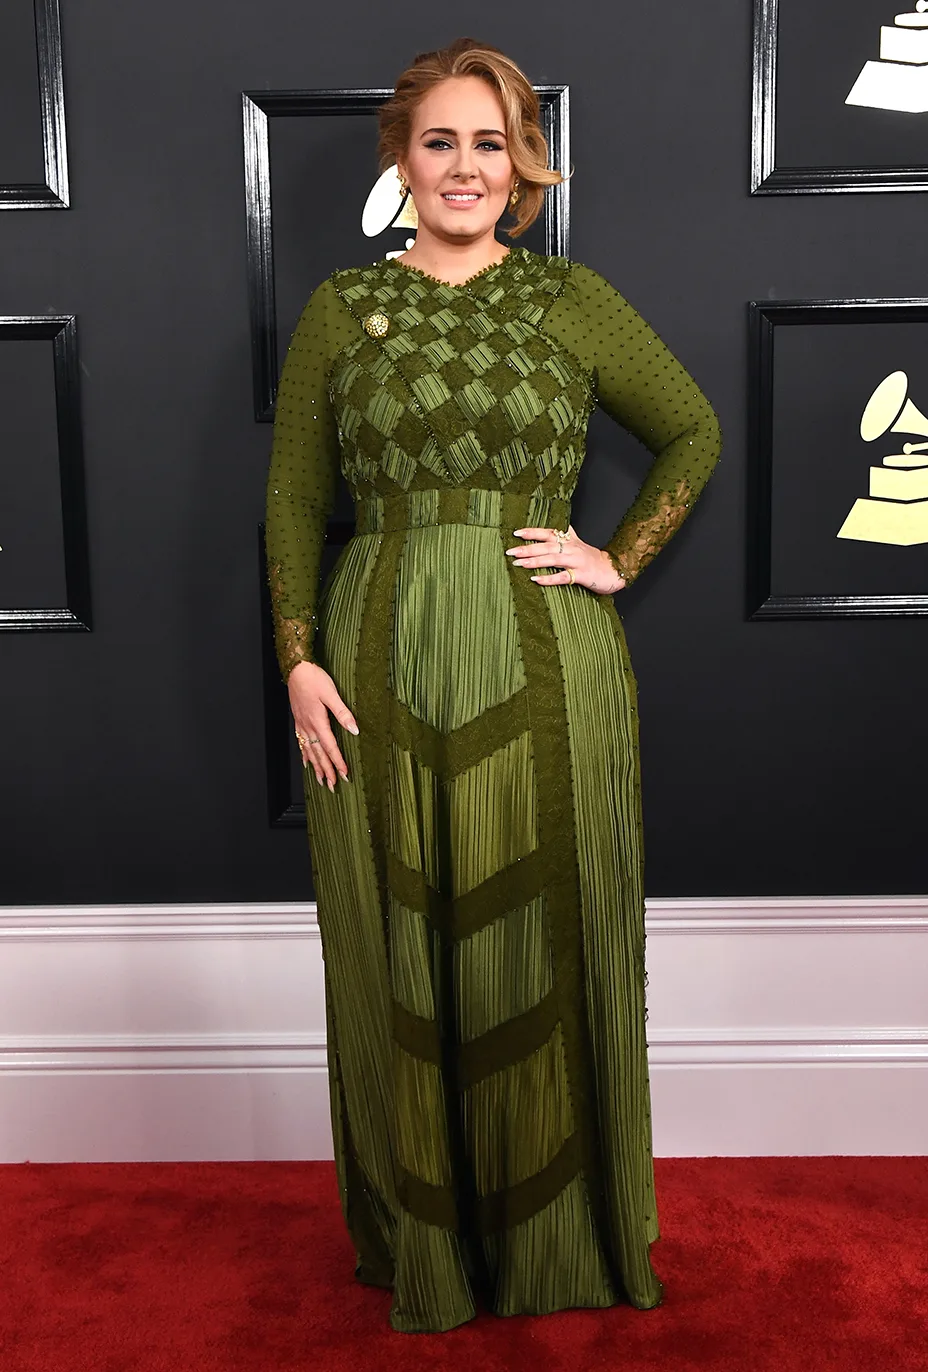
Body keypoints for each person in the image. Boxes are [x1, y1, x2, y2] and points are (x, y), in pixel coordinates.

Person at [264, 36, 722, 1335]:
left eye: (489, 142)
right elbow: (295, 495)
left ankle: (555, 1248)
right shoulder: (343, 311)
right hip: (375, 654)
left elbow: (692, 426)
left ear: (522, 163)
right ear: (402, 161)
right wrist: (298, 655)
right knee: (391, 935)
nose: (465, 167)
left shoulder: (570, 300)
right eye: (438, 141)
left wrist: (616, 553)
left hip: (543, 654)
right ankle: (431, 1250)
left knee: (545, 925)